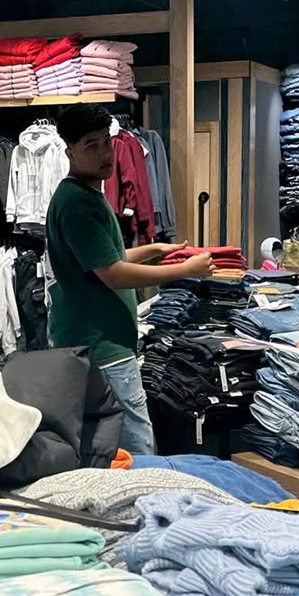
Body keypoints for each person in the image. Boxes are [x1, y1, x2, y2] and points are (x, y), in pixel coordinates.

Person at [46, 103, 214, 454]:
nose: (105, 154)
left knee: (105, 447)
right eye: (91, 146)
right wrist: (185, 270)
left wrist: (154, 249)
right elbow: (113, 274)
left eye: (106, 143)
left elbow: (107, 259)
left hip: (94, 343)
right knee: (137, 446)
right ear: (70, 152)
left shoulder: (85, 194)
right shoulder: (78, 203)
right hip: (103, 347)